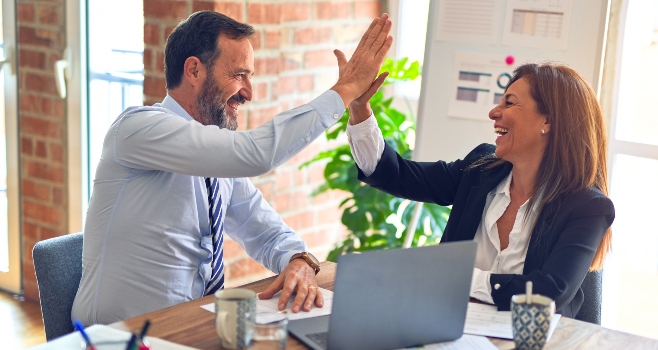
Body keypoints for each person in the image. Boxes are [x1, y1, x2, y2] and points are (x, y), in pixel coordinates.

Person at [72, 10, 393, 325]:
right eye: (239, 74)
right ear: (194, 71)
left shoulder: (215, 159)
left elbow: (265, 230)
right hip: (118, 338)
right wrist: (346, 90)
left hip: (190, 327)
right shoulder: (138, 129)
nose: (248, 93)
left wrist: (299, 259)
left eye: (249, 76)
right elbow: (256, 154)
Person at [346, 63, 614, 317]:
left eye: (509, 102)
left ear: (548, 121)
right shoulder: (480, 170)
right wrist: (360, 108)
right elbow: (397, 175)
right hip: (451, 330)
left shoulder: (588, 207)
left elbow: (547, 294)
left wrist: (456, 277)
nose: (494, 112)